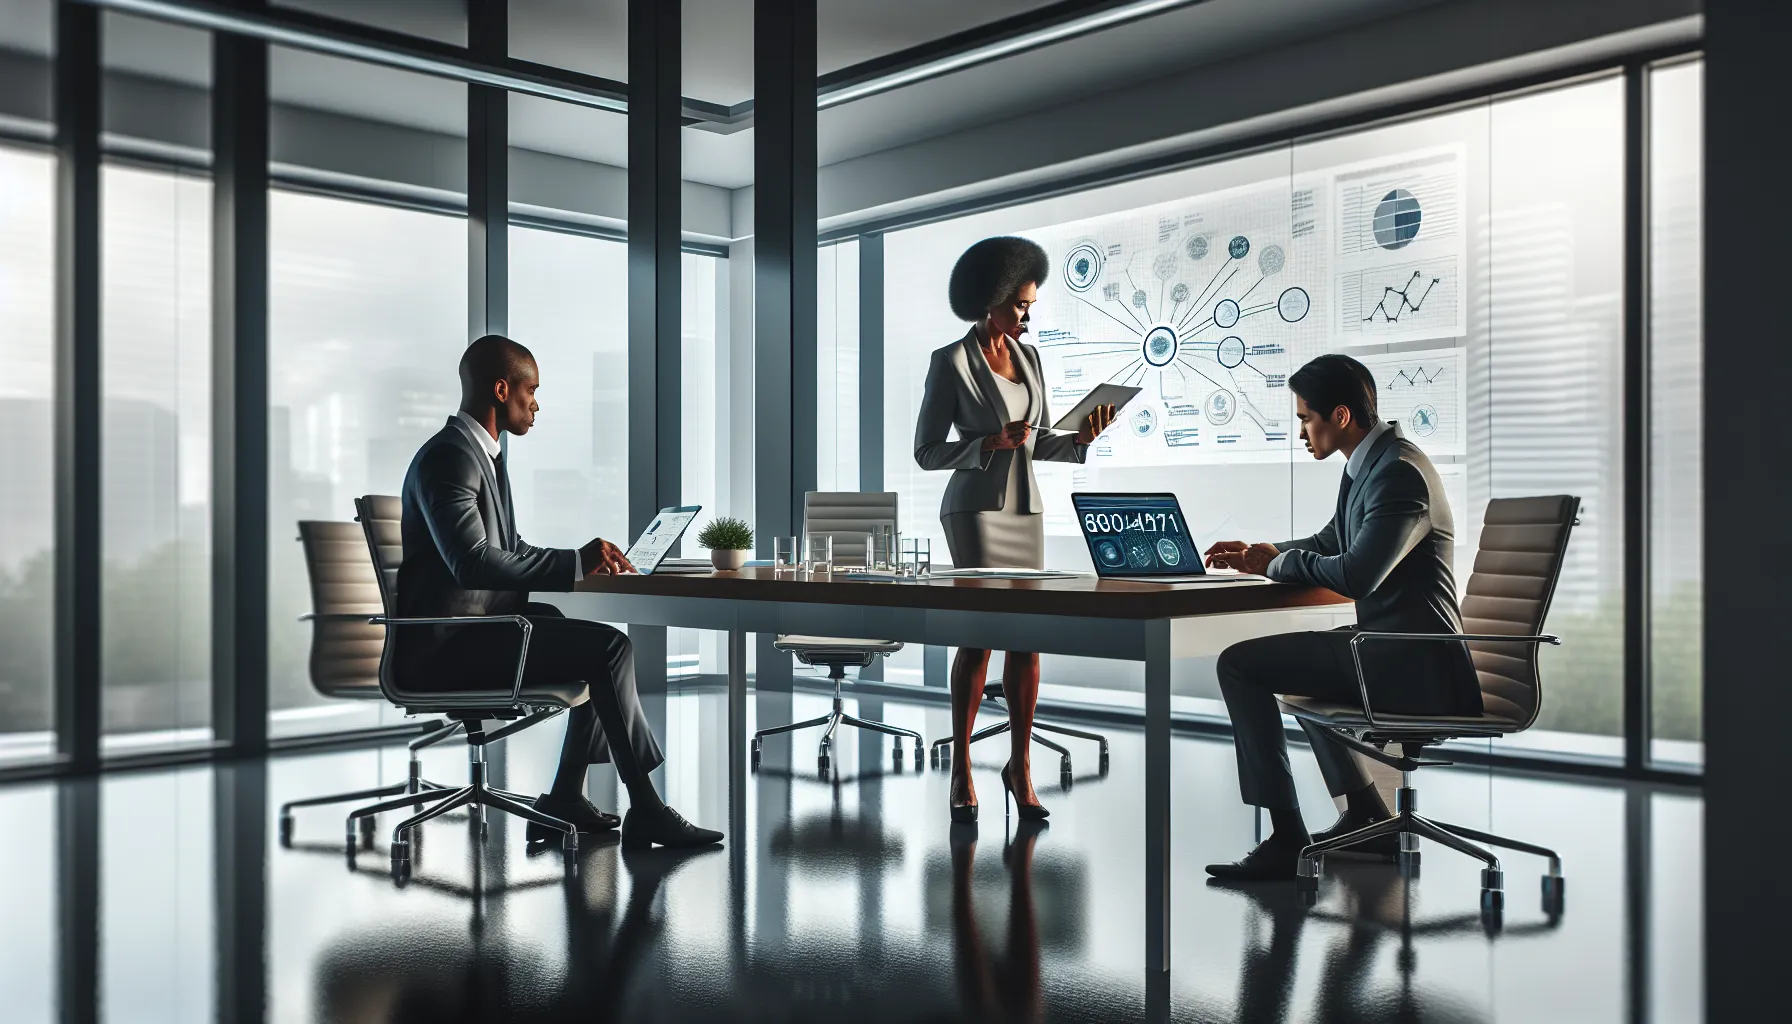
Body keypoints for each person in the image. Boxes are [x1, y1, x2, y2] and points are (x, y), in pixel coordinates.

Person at [396, 333, 721, 850]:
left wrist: (584, 560)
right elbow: (471, 562)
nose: (536, 405)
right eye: (531, 392)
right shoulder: (450, 458)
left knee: (579, 639)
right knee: (609, 648)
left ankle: (567, 796)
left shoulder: (480, 456)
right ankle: (647, 808)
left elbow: (509, 548)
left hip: (474, 633)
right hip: (447, 648)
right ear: (502, 390)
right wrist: (573, 563)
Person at [1201, 353, 1478, 880]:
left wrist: (1276, 564)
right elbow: (1330, 541)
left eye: (1306, 418)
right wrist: (1260, 554)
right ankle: (1368, 816)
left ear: (1341, 416)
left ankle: (1287, 839)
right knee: (1295, 663)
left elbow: (1356, 574)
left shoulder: (1399, 474)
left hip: (1416, 662)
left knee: (1239, 665)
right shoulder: (1372, 466)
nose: (1301, 432)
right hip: (1390, 646)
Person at [914, 236, 1116, 823]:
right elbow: (927, 451)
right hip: (975, 510)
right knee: (979, 635)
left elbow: (1040, 442)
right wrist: (987, 444)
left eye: (1030, 304)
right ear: (992, 299)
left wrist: (1081, 438)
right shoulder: (950, 362)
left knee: (1027, 637)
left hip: (1025, 509)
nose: (1028, 315)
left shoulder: (1031, 360)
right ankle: (961, 769)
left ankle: (1020, 766)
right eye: (1021, 304)